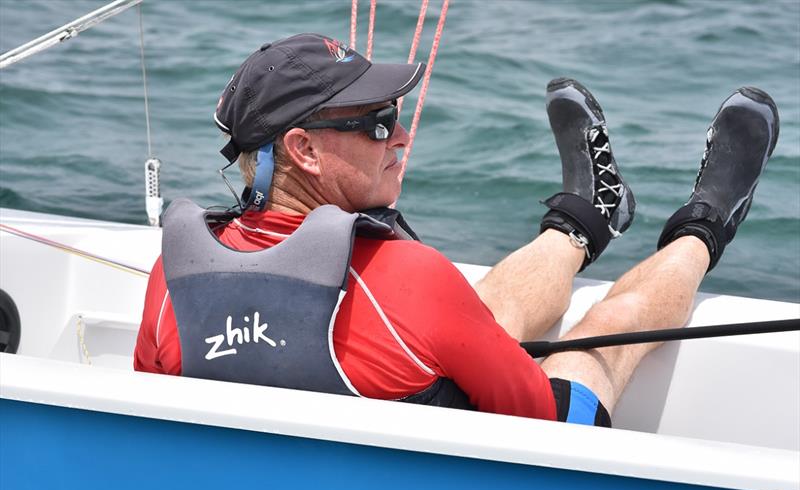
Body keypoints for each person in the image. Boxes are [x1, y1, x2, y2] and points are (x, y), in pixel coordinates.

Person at [134, 33, 779, 427]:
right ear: (302, 149)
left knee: (460, 324)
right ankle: (705, 224)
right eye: (379, 123)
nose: (403, 135)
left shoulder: (173, 281)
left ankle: (587, 215)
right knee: (607, 331)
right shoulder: (409, 280)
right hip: (464, 465)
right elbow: (532, 414)